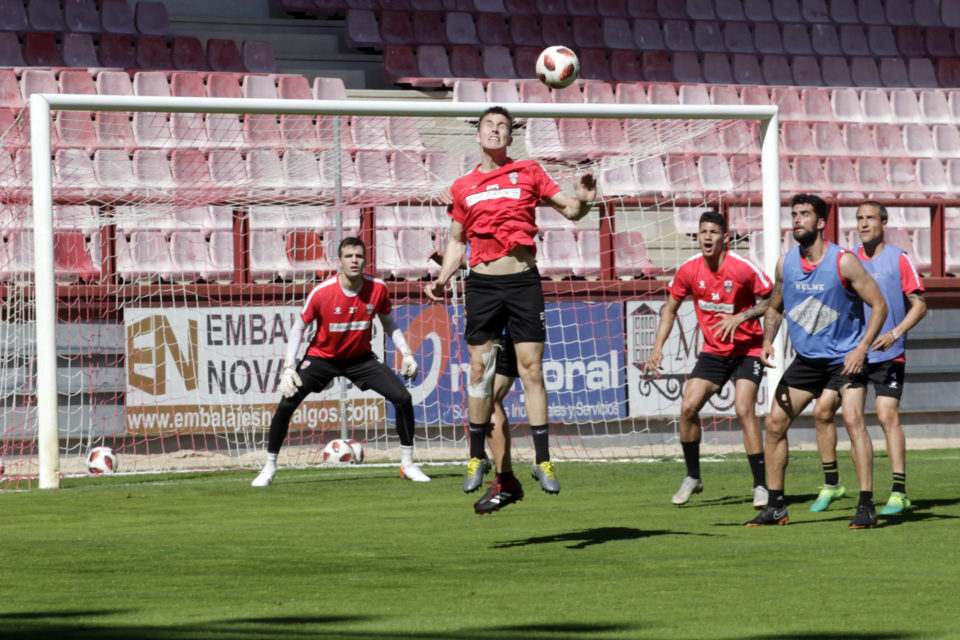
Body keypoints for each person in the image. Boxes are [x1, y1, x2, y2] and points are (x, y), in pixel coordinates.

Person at [424, 105, 597, 514]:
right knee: (480, 375)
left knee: (531, 369)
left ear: (511, 136)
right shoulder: (463, 186)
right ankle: (476, 458)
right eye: (490, 125)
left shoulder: (530, 172)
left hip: (522, 281)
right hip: (482, 285)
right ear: (478, 134)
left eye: (503, 126)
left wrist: (587, 200)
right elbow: (456, 240)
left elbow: (571, 209)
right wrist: (443, 278)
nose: (496, 131)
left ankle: (543, 460)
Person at [746, 194, 887, 529]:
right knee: (775, 424)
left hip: (845, 358)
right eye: (794, 214)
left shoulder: (844, 262)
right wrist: (767, 341)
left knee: (853, 420)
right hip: (808, 361)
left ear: (821, 222)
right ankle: (776, 507)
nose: (797, 219)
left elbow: (879, 306)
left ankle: (866, 505)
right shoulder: (785, 264)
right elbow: (775, 307)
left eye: (805, 214)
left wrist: (861, 349)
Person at [252, 236, 430, 486]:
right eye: (349, 256)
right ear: (340, 261)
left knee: (403, 398)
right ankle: (269, 468)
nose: (354, 260)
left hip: (361, 359)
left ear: (365, 261)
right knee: (286, 403)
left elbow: (388, 321)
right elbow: (299, 327)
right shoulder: (322, 292)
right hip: (322, 358)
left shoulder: (377, 288)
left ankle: (408, 464)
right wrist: (289, 367)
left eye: (359, 256)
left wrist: (406, 352)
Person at [643, 211, 774, 509]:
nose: (707, 237)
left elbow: (773, 298)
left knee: (744, 409)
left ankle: (760, 485)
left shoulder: (742, 268)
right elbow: (670, 309)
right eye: (703, 232)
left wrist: (742, 317)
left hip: (747, 349)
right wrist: (657, 347)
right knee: (688, 406)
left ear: (725, 238)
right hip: (714, 350)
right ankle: (693, 477)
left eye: (713, 232)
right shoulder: (689, 270)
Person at [808, 202, 926, 516]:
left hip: (889, 354)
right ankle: (832, 485)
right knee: (822, 411)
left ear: (883, 223)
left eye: (870, 218)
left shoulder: (898, 259)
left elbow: (919, 304)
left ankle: (899, 493)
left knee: (887, 415)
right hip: (853, 355)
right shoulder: (848, 260)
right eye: (859, 218)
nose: (863, 224)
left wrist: (896, 332)